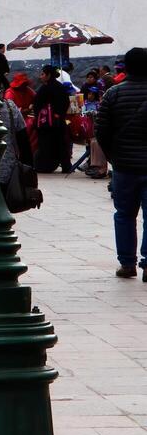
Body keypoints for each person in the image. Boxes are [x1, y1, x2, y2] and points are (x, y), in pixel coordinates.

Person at [95, 47, 147, 278]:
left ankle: (127, 264)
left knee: (124, 214)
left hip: (124, 167)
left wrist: (113, 156)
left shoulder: (113, 94)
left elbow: (101, 131)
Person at [34, 65, 72, 174]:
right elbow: (66, 102)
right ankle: (65, 166)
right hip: (58, 121)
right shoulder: (59, 87)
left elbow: (38, 103)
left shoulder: (47, 88)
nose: (40, 77)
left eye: (42, 74)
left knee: (46, 144)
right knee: (61, 143)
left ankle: (45, 166)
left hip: (46, 123)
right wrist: (59, 114)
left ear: (48, 75)